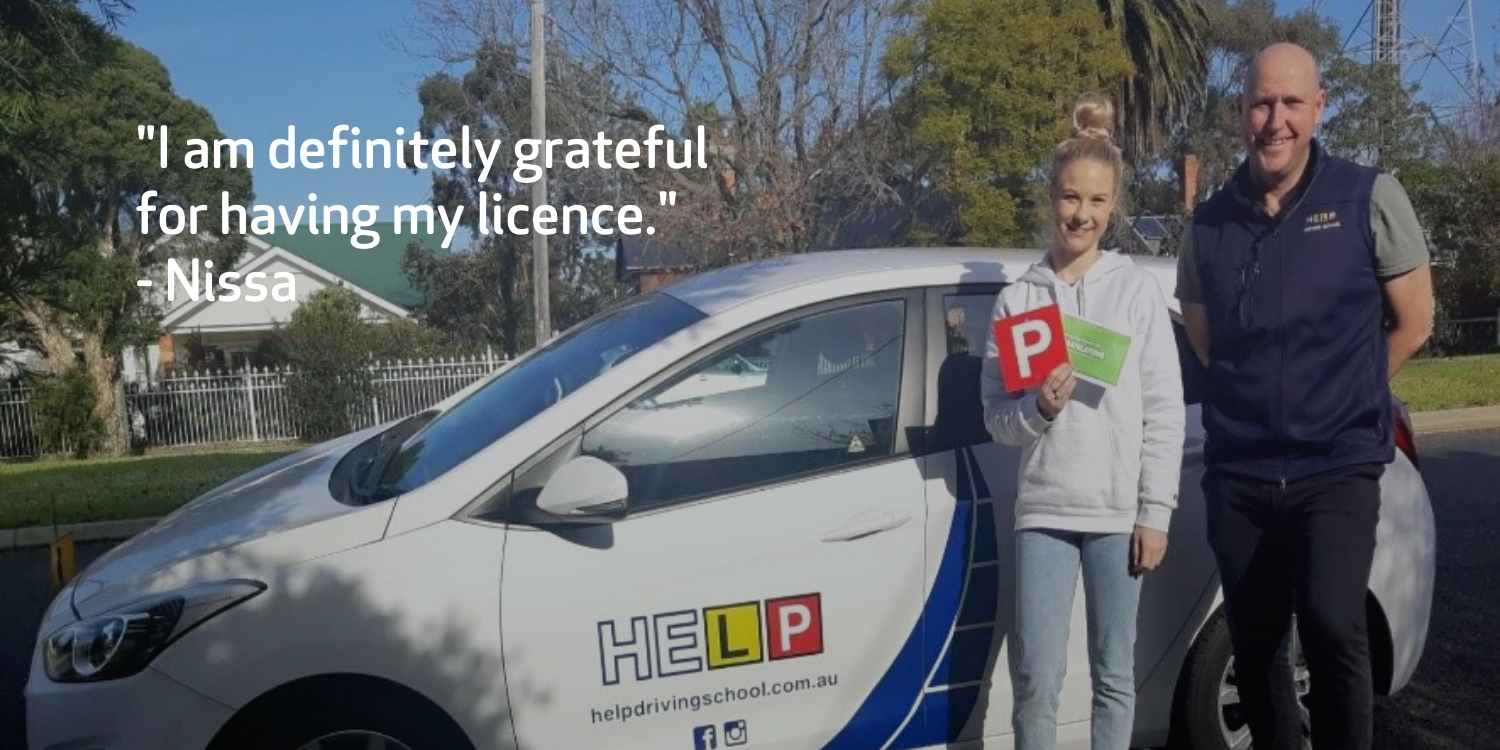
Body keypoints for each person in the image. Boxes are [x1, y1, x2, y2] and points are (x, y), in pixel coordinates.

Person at [1175, 42, 1435, 750]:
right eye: (1262, 103)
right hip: (1242, 474)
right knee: (1256, 644)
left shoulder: (1369, 196)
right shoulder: (1209, 225)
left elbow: (1415, 321)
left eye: (1292, 103)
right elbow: (1201, 331)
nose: (1275, 120)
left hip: (1337, 464)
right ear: (1241, 113)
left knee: (1331, 622)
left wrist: (1343, 391)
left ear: (1319, 107)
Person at [980, 93, 1185, 750]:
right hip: (1043, 512)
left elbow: (1163, 408)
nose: (1082, 214)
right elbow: (996, 420)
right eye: (1071, 198)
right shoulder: (1018, 301)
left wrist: (1155, 512)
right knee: (1036, 678)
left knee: (1113, 675)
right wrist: (1037, 409)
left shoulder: (1135, 291)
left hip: (1115, 516)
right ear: (1051, 198)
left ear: (1113, 206)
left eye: (1097, 202)